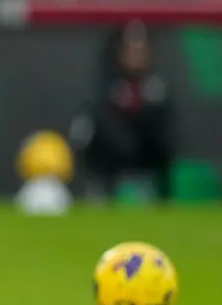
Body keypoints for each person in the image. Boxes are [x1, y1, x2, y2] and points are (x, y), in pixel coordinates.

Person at [72, 21, 174, 202]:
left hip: (145, 176)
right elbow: (87, 132)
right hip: (106, 176)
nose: (136, 56)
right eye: (131, 50)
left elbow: (166, 139)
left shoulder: (156, 90)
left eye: (141, 50)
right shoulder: (103, 88)